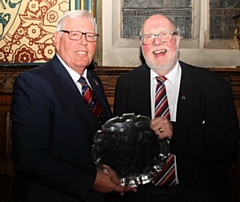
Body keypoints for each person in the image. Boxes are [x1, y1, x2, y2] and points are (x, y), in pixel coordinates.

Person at [112, 14, 240, 202]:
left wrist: (175, 131)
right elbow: (121, 143)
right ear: (142, 45)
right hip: (142, 196)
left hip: (196, 195)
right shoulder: (126, 85)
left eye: (165, 35)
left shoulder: (213, 86)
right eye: (149, 37)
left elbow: (227, 143)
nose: (157, 42)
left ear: (177, 40)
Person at [10, 10, 131, 202]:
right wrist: (91, 180)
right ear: (57, 39)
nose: (84, 42)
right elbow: (29, 159)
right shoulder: (34, 83)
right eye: (74, 34)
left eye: (90, 36)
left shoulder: (93, 81)